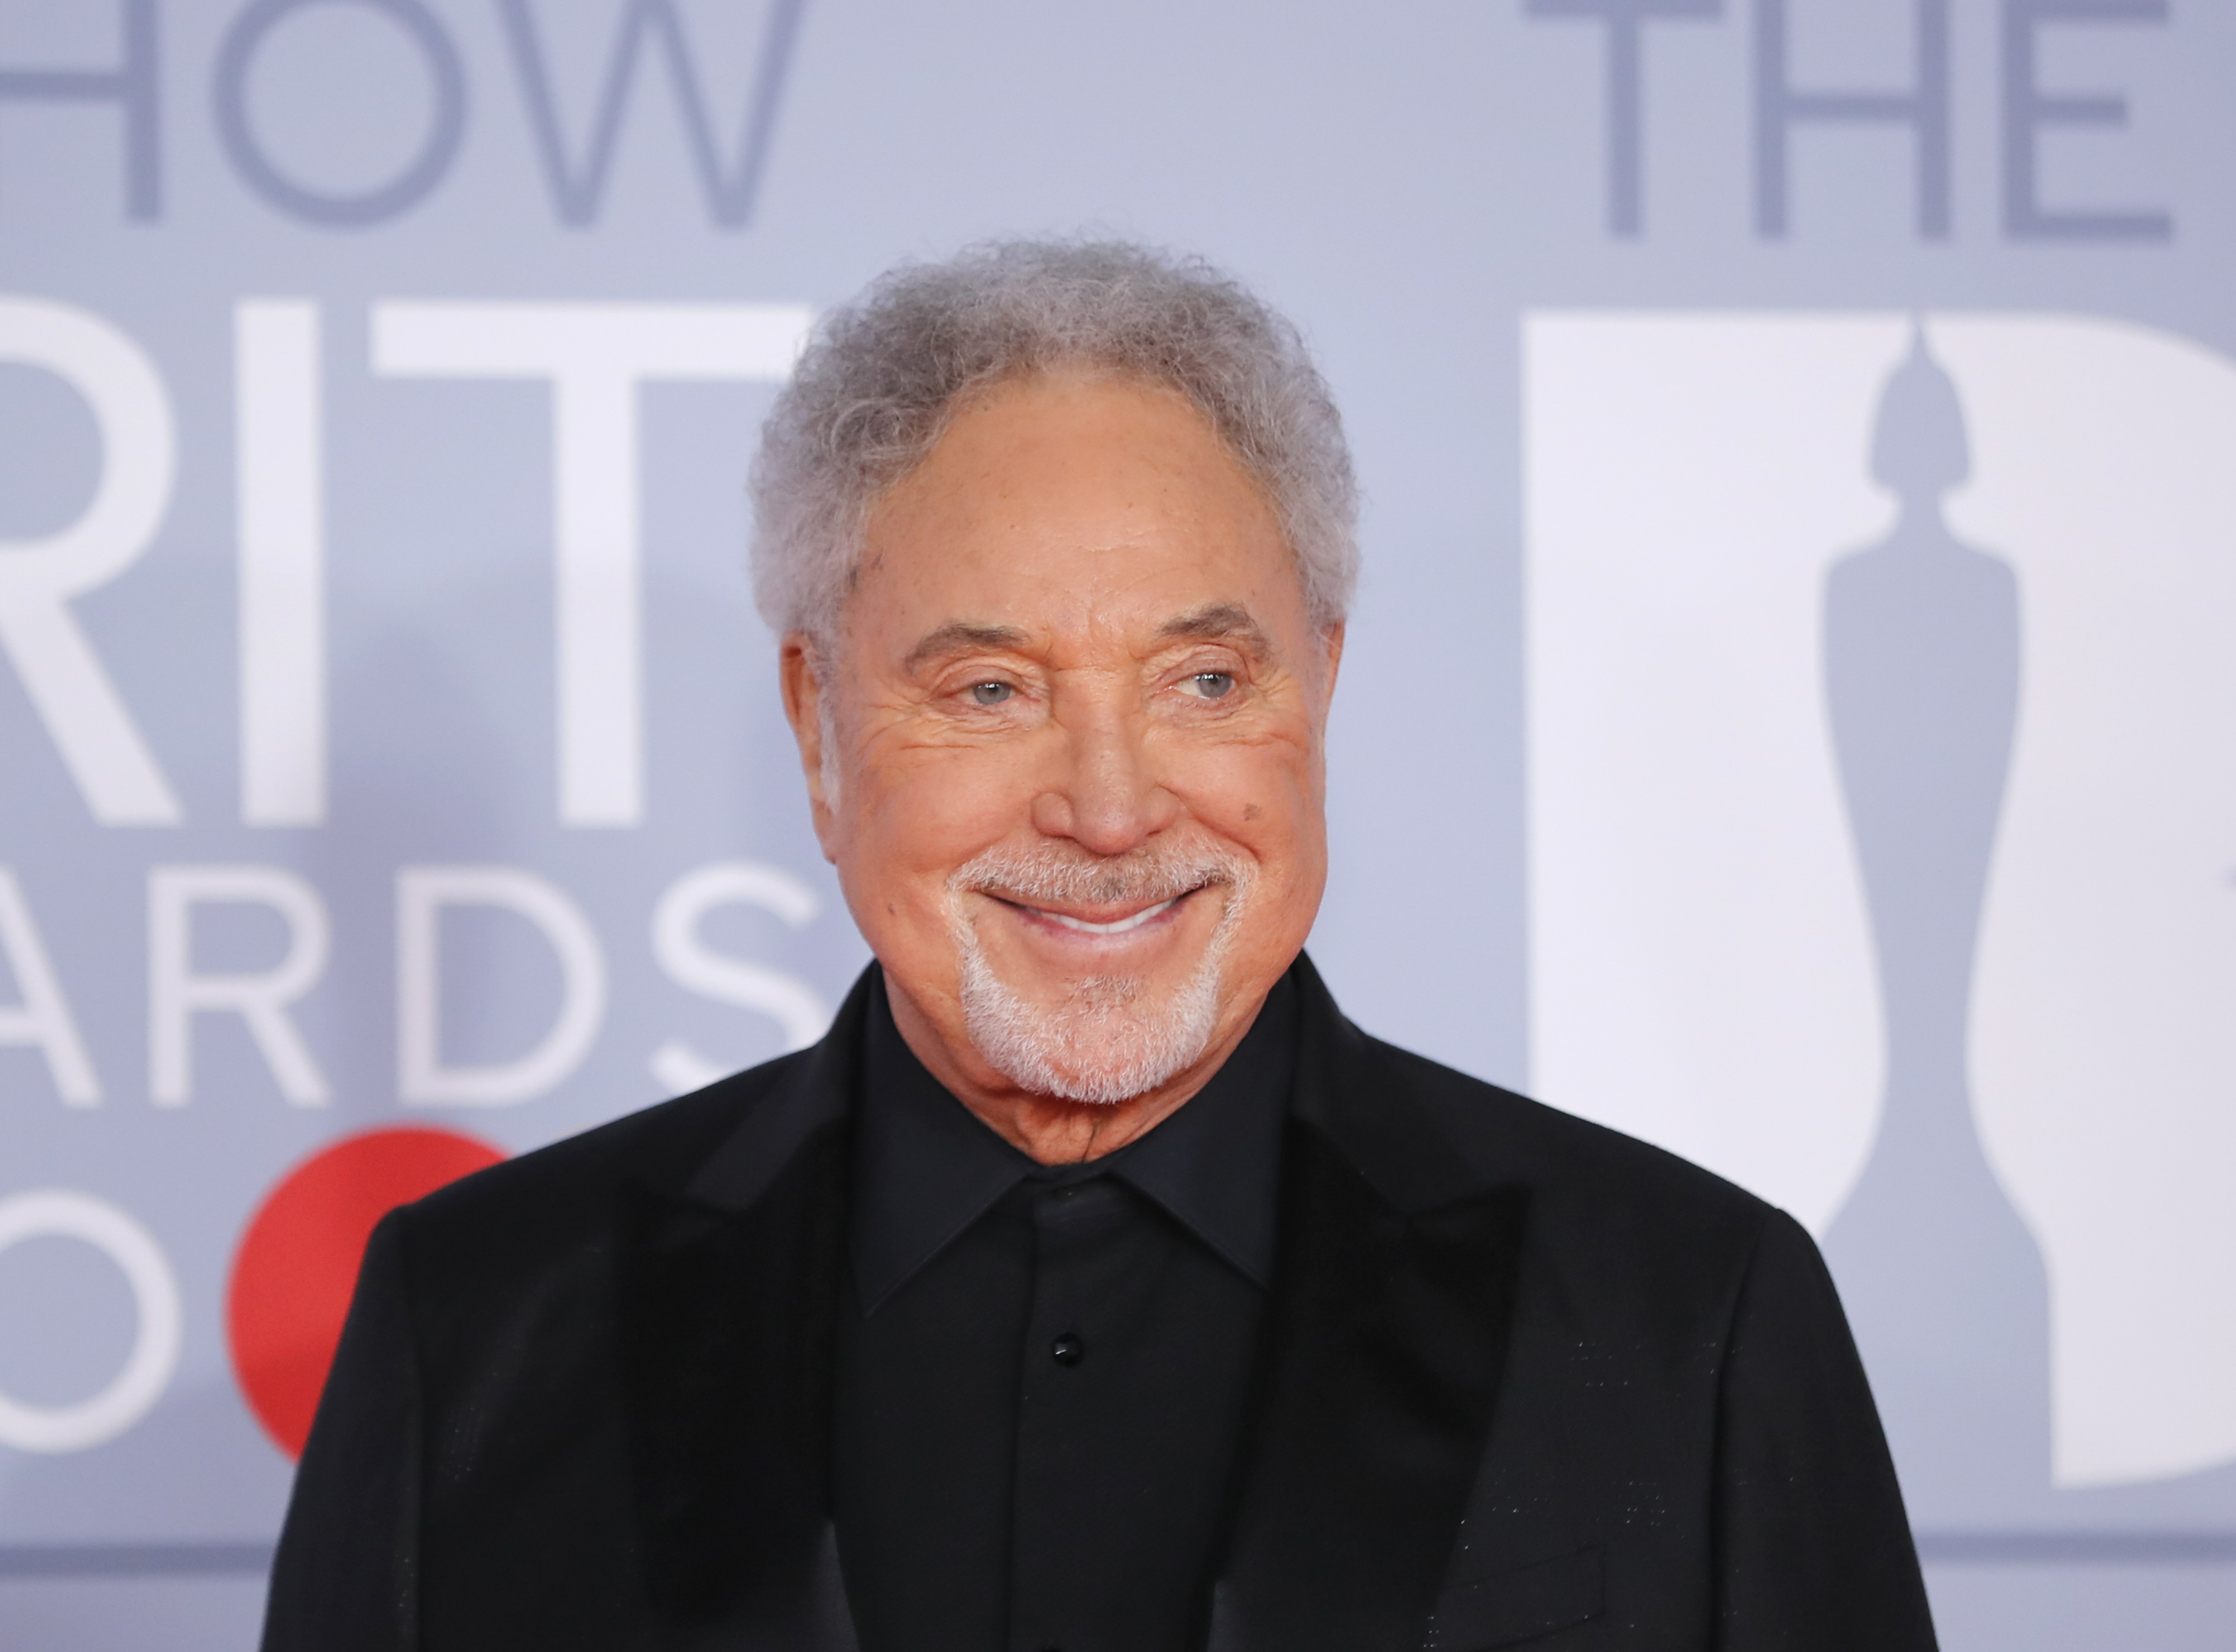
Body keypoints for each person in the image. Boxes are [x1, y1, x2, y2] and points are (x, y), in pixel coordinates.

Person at [262, 240, 1936, 1652]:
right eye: (990, 690)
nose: (1113, 807)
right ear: (816, 728)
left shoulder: (1687, 1320)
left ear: (1323, 689)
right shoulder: (478, 1325)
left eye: (1204, 681)